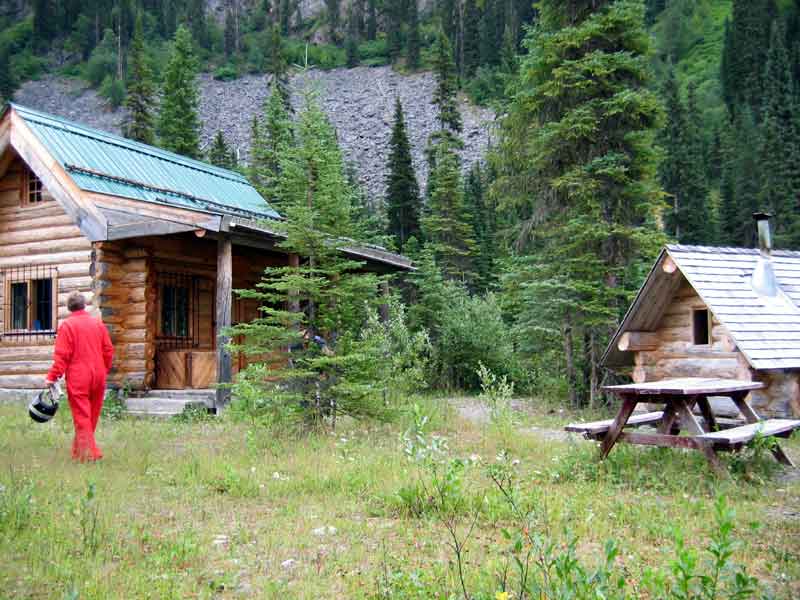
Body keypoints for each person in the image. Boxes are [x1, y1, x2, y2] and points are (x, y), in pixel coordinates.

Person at [45, 291, 114, 462]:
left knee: (82, 416)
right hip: (98, 374)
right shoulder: (97, 324)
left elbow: (62, 356)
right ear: (84, 305)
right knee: (91, 415)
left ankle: (90, 454)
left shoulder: (67, 326)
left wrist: (52, 377)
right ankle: (79, 453)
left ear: (69, 307)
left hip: (78, 377)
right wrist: (103, 370)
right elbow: (108, 350)